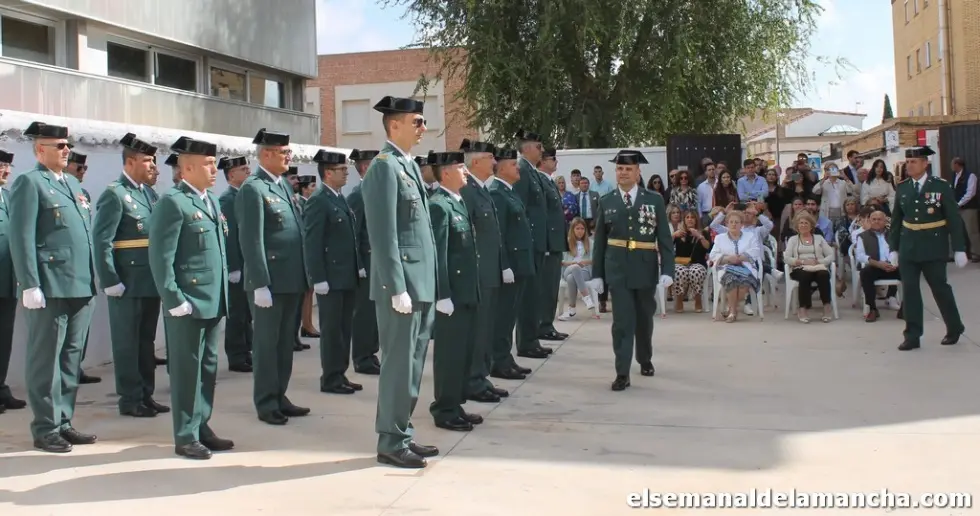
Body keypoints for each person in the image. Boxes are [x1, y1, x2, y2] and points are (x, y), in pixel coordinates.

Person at [360, 95, 439, 469]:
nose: (423, 127)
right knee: (398, 365)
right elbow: (383, 234)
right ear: (395, 125)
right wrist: (396, 287)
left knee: (413, 364)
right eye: (417, 121)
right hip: (402, 285)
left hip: (420, 282)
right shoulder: (384, 167)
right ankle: (390, 441)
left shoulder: (408, 165)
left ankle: (402, 433)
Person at [9, 121, 98, 453]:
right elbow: (21, 236)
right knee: (46, 360)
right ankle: (45, 427)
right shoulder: (30, 183)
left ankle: (63, 420)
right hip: (50, 285)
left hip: (80, 284)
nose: (66, 150)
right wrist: (29, 283)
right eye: (59, 146)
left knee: (71, 360)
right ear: (39, 150)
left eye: (67, 145)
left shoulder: (72, 184)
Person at [148, 136, 233, 460]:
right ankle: (185, 435)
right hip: (188, 302)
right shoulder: (173, 202)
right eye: (208, 164)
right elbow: (161, 257)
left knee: (208, 368)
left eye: (214, 163)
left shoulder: (211, 201)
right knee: (187, 371)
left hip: (212, 299)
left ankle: (202, 425)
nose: (214, 169)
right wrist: (173, 299)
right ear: (187, 169)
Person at [237, 128, 312, 425]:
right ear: (266, 154)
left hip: (291, 279)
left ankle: (280, 395)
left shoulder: (282, 186)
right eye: (284, 152)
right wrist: (259, 283)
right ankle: (266, 402)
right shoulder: (253, 189)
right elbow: (251, 239)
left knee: (284, 345)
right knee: (267, 346)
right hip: (269, 282)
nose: (288, 157)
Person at [92, 132, 167, 418]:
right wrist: (110, 280)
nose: (153, 166)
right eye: (147, 160)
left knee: (146, 342)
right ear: (131, 161)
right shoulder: (115, 194)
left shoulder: (148, 193)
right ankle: (130, 398)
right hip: (126, 281)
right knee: (127, 343)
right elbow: (102, 241)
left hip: (149, 280)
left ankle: (146, 394)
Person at [590, 150, 674, 391]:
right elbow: (600, 241)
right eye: (619, 168)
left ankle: (645, 358)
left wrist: (668, 270)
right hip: (617, 269)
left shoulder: (654, 200)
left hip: (645, 268)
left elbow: (664, 238)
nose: (623, 172)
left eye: (628, 169)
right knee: (622, 322)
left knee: (644, 319)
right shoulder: (606, 201)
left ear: (638, 172)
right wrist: (597, 274)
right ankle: (622, 372)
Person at [426, 150, 483, 432]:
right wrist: (442, 294)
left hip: (466, 292)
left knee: (463, 353)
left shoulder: (457, 201)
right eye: (461, 167)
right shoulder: (439, 205)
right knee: (450, 355)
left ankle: (456, 404)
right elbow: (438, 254)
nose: (466, 172)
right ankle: (444, 409)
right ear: (446, 172)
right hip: (452, 296)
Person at [889, 146, 967, 351]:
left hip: (933, 245)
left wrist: (959, 248)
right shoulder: (903, 187)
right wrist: (893, 248)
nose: (909, 165)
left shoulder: (941, 186)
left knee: (940, 289)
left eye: (914, 162)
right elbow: (896, 219)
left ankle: (954, 327)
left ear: (925, 164)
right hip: (908, 246)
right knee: (910, 291)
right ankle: (912, 335)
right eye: (908, 162)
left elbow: (953, 219)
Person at [304, 149, 363, 395]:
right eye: (341, 170)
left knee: (344, 329)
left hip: (346, 276)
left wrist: (358, 266)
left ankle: (340, 373)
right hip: (330, 278)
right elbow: (312, 242)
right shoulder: (319, 200)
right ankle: (330, 377)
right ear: (328, 173)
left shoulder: (339, 197)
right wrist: (318, 278)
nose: (346, 173)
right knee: (332, 330)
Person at [458, 139, 511, 403]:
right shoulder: (467, 191)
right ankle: (472, 382)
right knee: (477, 332)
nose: (495, 162)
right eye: (491, 158)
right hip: (478, 274)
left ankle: (481, 377)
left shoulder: (482, 189)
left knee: (486, 329)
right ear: (476, 161)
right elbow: (466, 236)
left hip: (490, 272)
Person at [488, 147, 535, 381]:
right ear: (501, 168)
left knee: (510, 315)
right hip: (510, 266)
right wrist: (504, 265)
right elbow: (499, 234)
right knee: (503, 316)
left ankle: (506, 359)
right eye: (513, 165)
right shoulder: (497, 193)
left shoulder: (510, 191)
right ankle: (498, 361)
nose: (518, 168)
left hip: (520, 264)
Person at [512, 129, 553, 360]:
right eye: (538, 147)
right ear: (526, 148)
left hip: (538, 244)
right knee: (528, 296)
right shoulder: (522, 171)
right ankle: (526, 342)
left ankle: (532, 339)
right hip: (530, 243)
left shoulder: (531, 171)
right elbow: (521, 211)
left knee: (535, 294)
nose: (542, 150)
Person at [65, 150, 104, 383]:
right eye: (78, 168)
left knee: (81, 328)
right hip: (61, 272)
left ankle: (75, 367)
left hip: (83, 269)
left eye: (85, 168)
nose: (82, 173)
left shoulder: (83, 194)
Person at [346, 149, 381, 375]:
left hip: (377, 262)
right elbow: (354, 235)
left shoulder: (374, 191)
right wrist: (359, 265)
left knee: (374, 313)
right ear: (366, 167)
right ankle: (362, 357)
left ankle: (371, 352)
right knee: (364, 314)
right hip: (366, 264)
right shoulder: (358, 195)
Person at [217, 156, 253, 373]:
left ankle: (246, 351)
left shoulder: (242, 195)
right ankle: (236, 355)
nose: (248, 172)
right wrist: (233, 266)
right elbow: (229, 235)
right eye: (243, 169)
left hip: (247, 263)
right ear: (231, 175)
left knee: (246, 312)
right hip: (238, 264)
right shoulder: (228, 199)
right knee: (237, 312)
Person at [0, 149, 26, 414]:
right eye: (1, 166)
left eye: (8, 167)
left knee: (4, 339)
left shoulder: (8, 197)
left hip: (7, 281)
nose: (6, 171)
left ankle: (1, 388)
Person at [536, 147, 569, 342]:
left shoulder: (548, 181)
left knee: (552, 287)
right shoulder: (540, 181)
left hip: (555, 242)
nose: (556, 162)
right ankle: (543, 325)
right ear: (542, 161)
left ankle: (547, 324)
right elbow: (542, 215)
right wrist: (546, 243)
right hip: (548, 243)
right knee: (546, 288)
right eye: (552, 159)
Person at [708, 211, 762, 323]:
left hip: (745, 267)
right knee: (731, 280)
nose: (733, 224)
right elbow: (713, 255)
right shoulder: (720, 238)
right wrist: (728, 258)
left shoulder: (750, 236)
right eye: (731, 222)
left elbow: (756, 250)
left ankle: (732, 308)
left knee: (743, 283)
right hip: (726, 267)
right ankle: (733, 312)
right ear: (726, 224)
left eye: (737, 222)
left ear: (741, 224)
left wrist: (742, 257)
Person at [783, 211, 835, 323]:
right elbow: (786, 258)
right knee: (805, 276)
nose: (803, 225)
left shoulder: (819, 238)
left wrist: (819, 261)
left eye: (806, 223)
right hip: (799, 268)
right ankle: (803, 308)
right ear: (797, 226)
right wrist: (801, 261)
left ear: (811, 226)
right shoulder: (793, 240)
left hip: (817, 267)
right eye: (801, 223)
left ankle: (827, 306)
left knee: (823, 274)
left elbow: (831, 255)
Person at [558, 217, 596, 320]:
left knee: (571, 278)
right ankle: (586, 297)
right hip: (568, 269)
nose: (580, 231)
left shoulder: (590, 242)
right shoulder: (566, 242)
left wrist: (584, 262)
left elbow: (595, 260)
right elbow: (560, 261)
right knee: (575, 268)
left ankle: (572, 310)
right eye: (577, 228)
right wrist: (573, 263)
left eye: (582, 228)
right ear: (572, 229)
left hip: (585, 271)